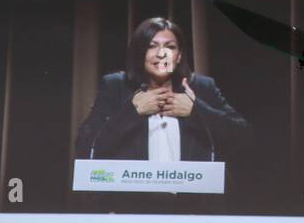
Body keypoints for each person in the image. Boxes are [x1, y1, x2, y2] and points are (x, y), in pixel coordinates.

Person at [74, 16, 250, 162]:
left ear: (179, 56)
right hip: (132, 201)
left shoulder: (203, 87)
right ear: (139, 53)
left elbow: (244, 138)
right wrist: (132, 112)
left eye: (170, 47)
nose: (162, 54)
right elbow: (84, 145)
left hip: (191, 202)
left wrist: (195, 111)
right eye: (152, 46)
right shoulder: (115, 87)